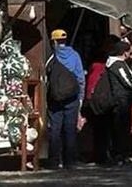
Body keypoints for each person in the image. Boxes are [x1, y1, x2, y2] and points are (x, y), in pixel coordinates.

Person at [45, 29, 85, 169]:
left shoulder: (51, 56)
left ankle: (54, 161)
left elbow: (46, 77)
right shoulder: (75, 55)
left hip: (55, 99)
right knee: (70, 129)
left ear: (53, 41)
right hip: (72, 98)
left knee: (55, 130)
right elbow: (80, 78)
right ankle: (70, 161)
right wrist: (81, 98)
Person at [105, 39, 132, 166]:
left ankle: (121, 155)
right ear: (124, 52)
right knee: (121, 129)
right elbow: (128, 81)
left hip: (123, 100)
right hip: (121, 101)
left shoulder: (119, 64)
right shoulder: (117, 65)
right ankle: (120, 155)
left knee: (122, 129)